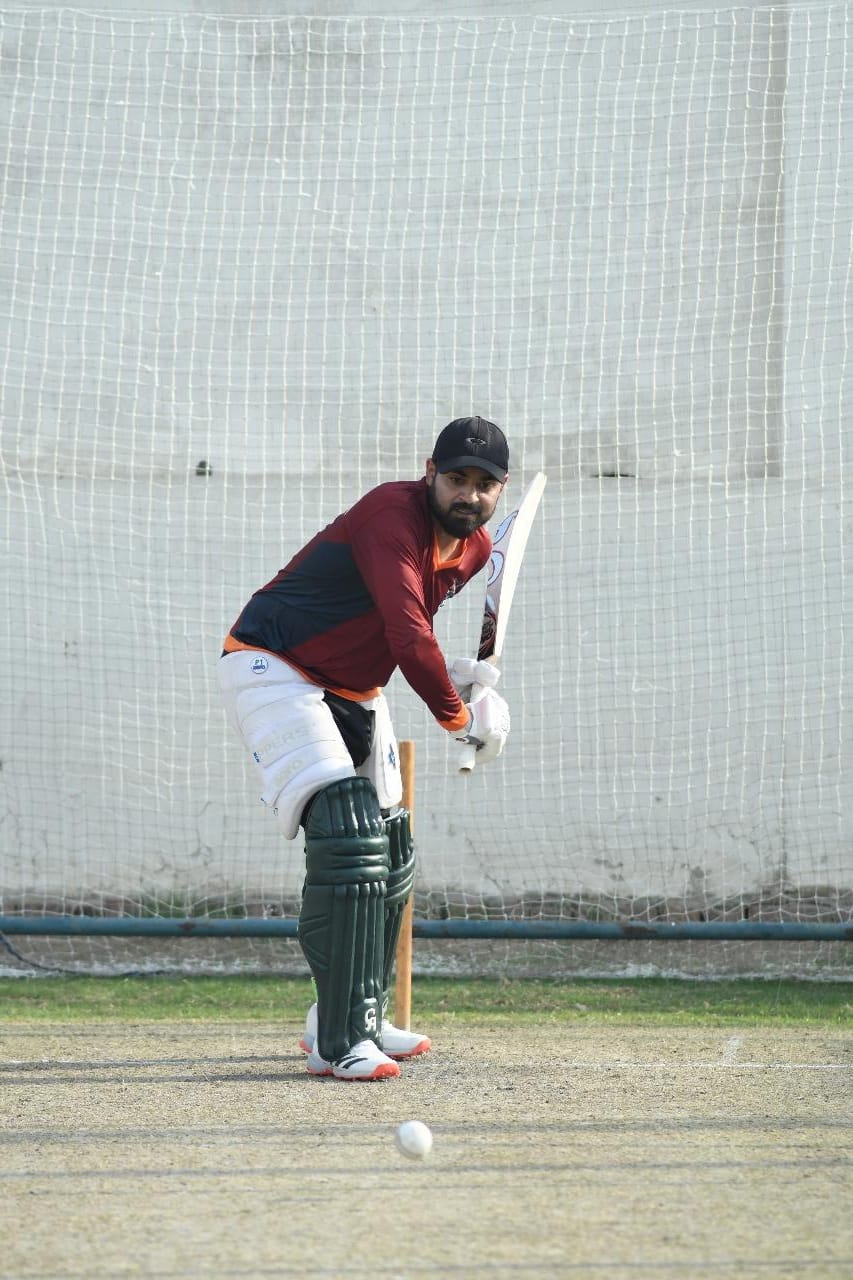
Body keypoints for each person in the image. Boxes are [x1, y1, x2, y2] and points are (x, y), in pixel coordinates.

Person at [217, 416, 511, 1081]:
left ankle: (358, 1014)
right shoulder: (389, 515)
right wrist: (457, 714)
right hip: (275, 666)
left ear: (500, 490)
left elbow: (392, 629)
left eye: (483, 485)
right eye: (456, 479)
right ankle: (338, 1043)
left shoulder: (469, 550)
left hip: (353, 689)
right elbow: (408, 633)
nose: (468, 495)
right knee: (347, 835)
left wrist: (462, 679)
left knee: (390, 843)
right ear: (428, 472)